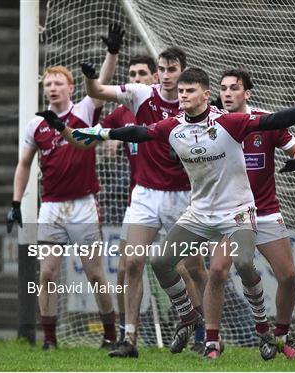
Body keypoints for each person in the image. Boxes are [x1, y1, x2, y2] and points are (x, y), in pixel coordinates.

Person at [70, 67, 295, 359]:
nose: (183, 95)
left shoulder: (229, 122)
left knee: (244, 263)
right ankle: (187, 317)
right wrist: (100, 133)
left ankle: (263, 329)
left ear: (206, 95)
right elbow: (139, 132)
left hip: (237, 212)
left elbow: (273, 120)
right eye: (181, 91)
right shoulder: (173, 126)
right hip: (200, 214)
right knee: (161, 262)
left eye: (190, 90)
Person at [76, 48, 208, 358]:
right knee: (132, 263)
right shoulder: (141, 93)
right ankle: (129, 339)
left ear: (183, 71)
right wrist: (90, 77)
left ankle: (203, 332)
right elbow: (97, 92)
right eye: (161, 68)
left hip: (182, 195)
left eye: (171, 69)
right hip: (145, 194)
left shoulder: (195, 103)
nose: (165, 74)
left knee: (190, 267)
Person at [6, 23, 123, 350]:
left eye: (59, 83)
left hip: (84, 203)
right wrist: (16, 202)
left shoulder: (85, 110)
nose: (52, 88)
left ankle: (110, 334)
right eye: (48, 84)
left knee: (95, 274)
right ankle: (50, 338)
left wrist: (111, 54)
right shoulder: (36, 124)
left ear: (71, 87)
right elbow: (24, 164)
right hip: (53, 206)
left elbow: (102, 82)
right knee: (47, 274)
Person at [201, 68, 295, 360]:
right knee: (218, 271)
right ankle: (212, 341)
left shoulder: (266, 121)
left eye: (234, 88)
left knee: (287, 275)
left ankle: (281, 336)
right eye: (223, 88)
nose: (227, 93)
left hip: (265, 211)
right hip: (229, 213)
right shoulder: (210, 123)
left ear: (247, 93)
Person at [101, 54, 158, 343]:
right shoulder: (123, 112)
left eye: (142, 74)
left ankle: (202, 331)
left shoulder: (163, 108)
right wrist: (107, 138)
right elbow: (100, 124)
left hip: (175, 198)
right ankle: (126, 333)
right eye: (132, 74)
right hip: (140, 201)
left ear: (155, 78)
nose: (136, 79)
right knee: (125, 268)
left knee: (187, 267)